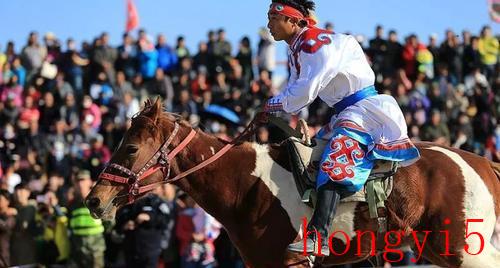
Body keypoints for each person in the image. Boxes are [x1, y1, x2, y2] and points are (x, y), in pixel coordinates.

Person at [261, 0, 420, 256]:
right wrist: (275, 104)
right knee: (309, 158)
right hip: (345, 111)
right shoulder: (298, 45)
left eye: (272, 18)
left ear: (291, 20)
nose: (268, 24)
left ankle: (318, 237)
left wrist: (271, 104)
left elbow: (302, 93)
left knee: (335, 165)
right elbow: (295, 90)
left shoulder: (313, 44)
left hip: (363, 112)